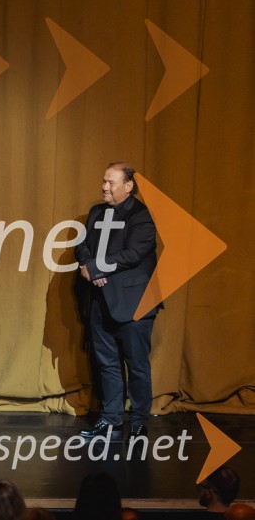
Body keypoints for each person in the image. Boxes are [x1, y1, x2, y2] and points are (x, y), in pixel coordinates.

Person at [75, 163, 161, 440]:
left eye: (111, 183)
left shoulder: (142, 216)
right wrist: (89, 265)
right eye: (104, 181)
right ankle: (110, 420)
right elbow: (82, 246)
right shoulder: (96, 212)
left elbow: (135, 253)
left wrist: (97, 268)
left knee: (136, 365)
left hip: (134, 303)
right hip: (100, 303)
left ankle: (138, 422)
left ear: (128, 186)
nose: (104, 187)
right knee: (107, 364)